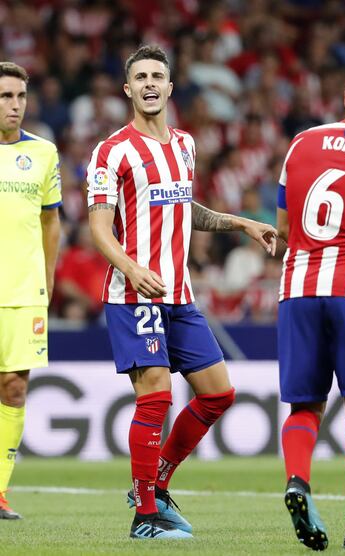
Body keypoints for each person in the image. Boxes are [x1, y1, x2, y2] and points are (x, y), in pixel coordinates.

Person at [87, 45, 277, 540]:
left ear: (171, 87)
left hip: (180, 295)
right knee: (156, 397)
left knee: (219, 394)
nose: (150, 83)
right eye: (140, 77)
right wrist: (132, 268)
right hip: (134, 295)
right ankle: (145, 516)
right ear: (128, 89)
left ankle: (156, 482)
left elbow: (183, 207)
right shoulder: (112, 151)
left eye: (158, 75)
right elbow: (99, 229)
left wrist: (242, 223)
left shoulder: (186, 145)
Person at [277, 64, 345, 551]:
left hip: (297, 286)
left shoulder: (303, 141)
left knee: (305, 406)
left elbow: (285, 229)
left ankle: (298, 481)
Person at [0, 62, 62, 519]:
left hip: (23, 292)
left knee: (14, 388)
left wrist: (49, 282)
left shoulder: (43, 153)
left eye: (20, 96)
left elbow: (50, 221)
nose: (14, 105)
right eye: (5, 96)